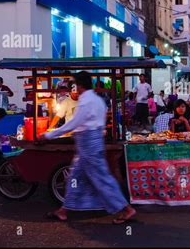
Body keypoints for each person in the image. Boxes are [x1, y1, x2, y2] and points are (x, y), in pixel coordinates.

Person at [39, 71, 136, 224]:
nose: (75, 88)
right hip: (91, 143)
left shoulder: (86, 101)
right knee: (75, 177)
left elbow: (73, 123)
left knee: (101, 178)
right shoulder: (97, 100)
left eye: (75, 84)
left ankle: (126, 209)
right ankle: (64, 210)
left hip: (88, 144)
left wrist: (49, 135)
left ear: (80, 85)